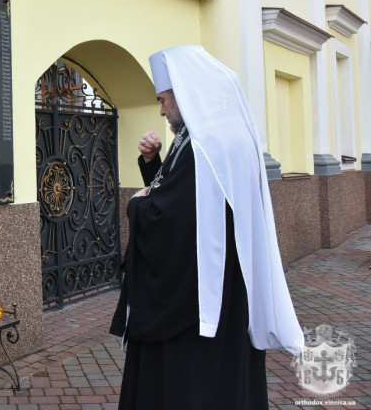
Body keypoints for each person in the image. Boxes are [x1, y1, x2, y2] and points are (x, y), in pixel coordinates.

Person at [110, 45, 304, 410]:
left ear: (185, 92)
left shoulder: (203, 145)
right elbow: (186, 198)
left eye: (164, 99)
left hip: (198, 297)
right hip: (231, 280)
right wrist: (153, 164)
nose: (163, 109)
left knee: (193, 383)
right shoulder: (220, 136)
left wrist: (136, 204)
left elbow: (169, 218)